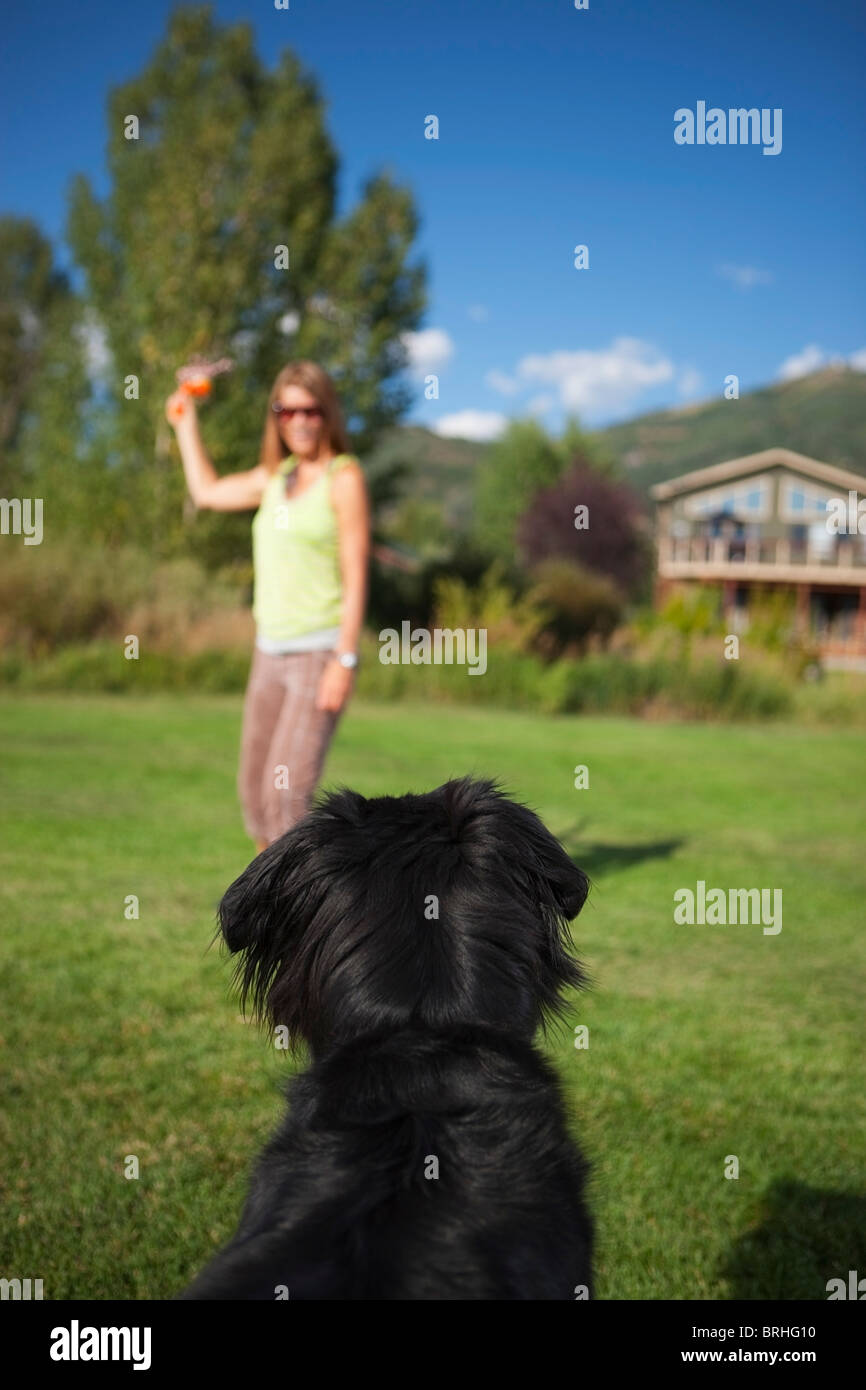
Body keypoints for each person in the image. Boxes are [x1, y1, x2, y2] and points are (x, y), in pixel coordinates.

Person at [166, 360, 370, 853]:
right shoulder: (273, 478)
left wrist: (344, 661)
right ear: (276, 417)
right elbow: (207, 492)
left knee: (286, 799)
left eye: (310, 410)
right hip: (269, 653)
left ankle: (304, 922)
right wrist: (185, 422)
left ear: (327, 414)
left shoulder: (343, 479)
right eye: (286, 409)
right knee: (255, 797)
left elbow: (357, 572)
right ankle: (275, 917)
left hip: (318, 654)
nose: (298, 420)